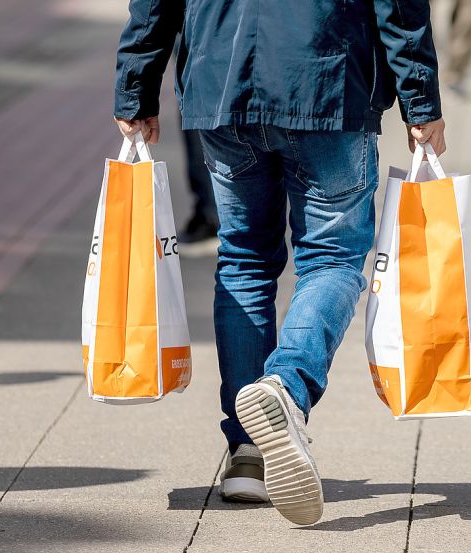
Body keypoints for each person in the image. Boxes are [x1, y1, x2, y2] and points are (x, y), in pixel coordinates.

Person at [112, 0, 446, 525]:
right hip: (327, 79)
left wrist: (136, 86)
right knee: (333, 256)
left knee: (243, 257)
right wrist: (420, 101)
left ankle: (248, 454)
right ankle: (286, 388)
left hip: (222, 80)